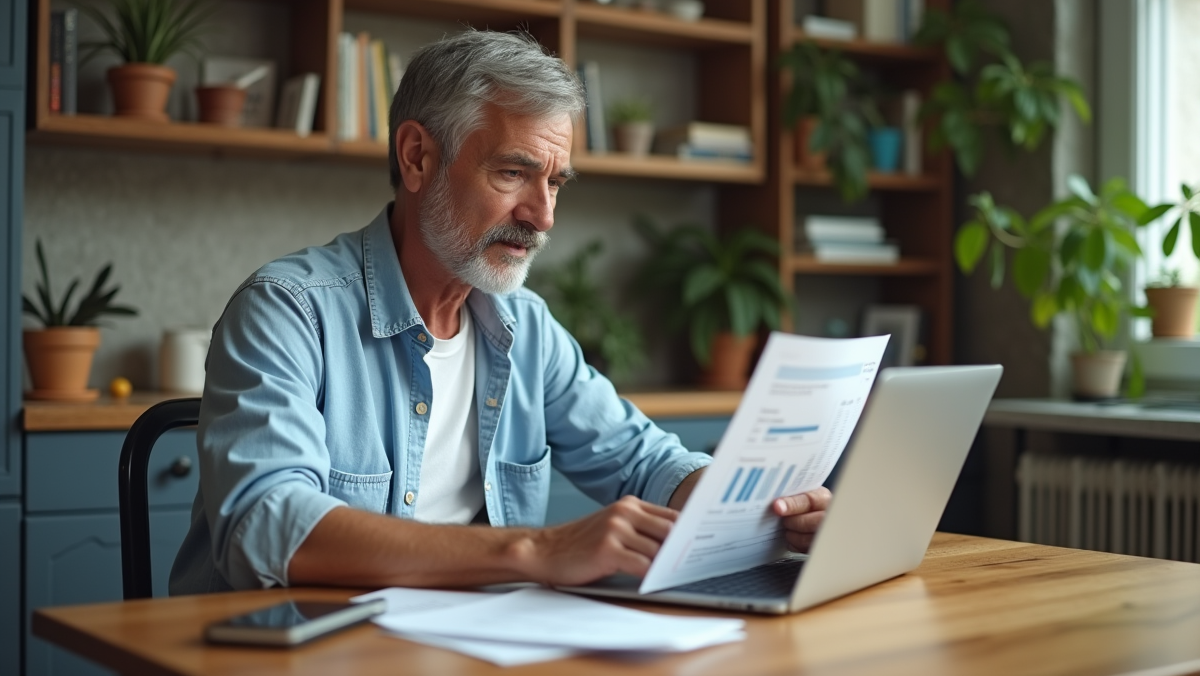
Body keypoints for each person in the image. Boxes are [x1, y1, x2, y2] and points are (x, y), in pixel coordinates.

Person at [169, 30, 830, 595]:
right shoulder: (287, 310)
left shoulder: (525, 326)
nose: (542, 216)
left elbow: (641, 461)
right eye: (513, 174)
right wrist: (534, 551)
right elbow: (265, 522)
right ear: (417, 157)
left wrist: (757, 506)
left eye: (554, 183)